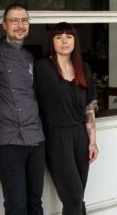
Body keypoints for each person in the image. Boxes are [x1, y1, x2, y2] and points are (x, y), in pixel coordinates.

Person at [0, 3, 45, 215]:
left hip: (36, 138)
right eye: (14, 20)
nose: (20, 25)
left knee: (35, 202)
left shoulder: (30, 57)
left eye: (24, 20)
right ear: (4, 25)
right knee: (16, 204)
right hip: (7, 139)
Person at [34, 22, 99, 215]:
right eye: (58, 37)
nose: (64, 41)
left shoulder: (83, 68)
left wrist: (92, 142)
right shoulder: (42, 68)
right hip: (56, 135)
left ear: (75, 41)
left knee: (79, 195)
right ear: (51, 41)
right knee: (73, 195)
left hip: (80, 135)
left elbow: (89, 107)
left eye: (69, 36)